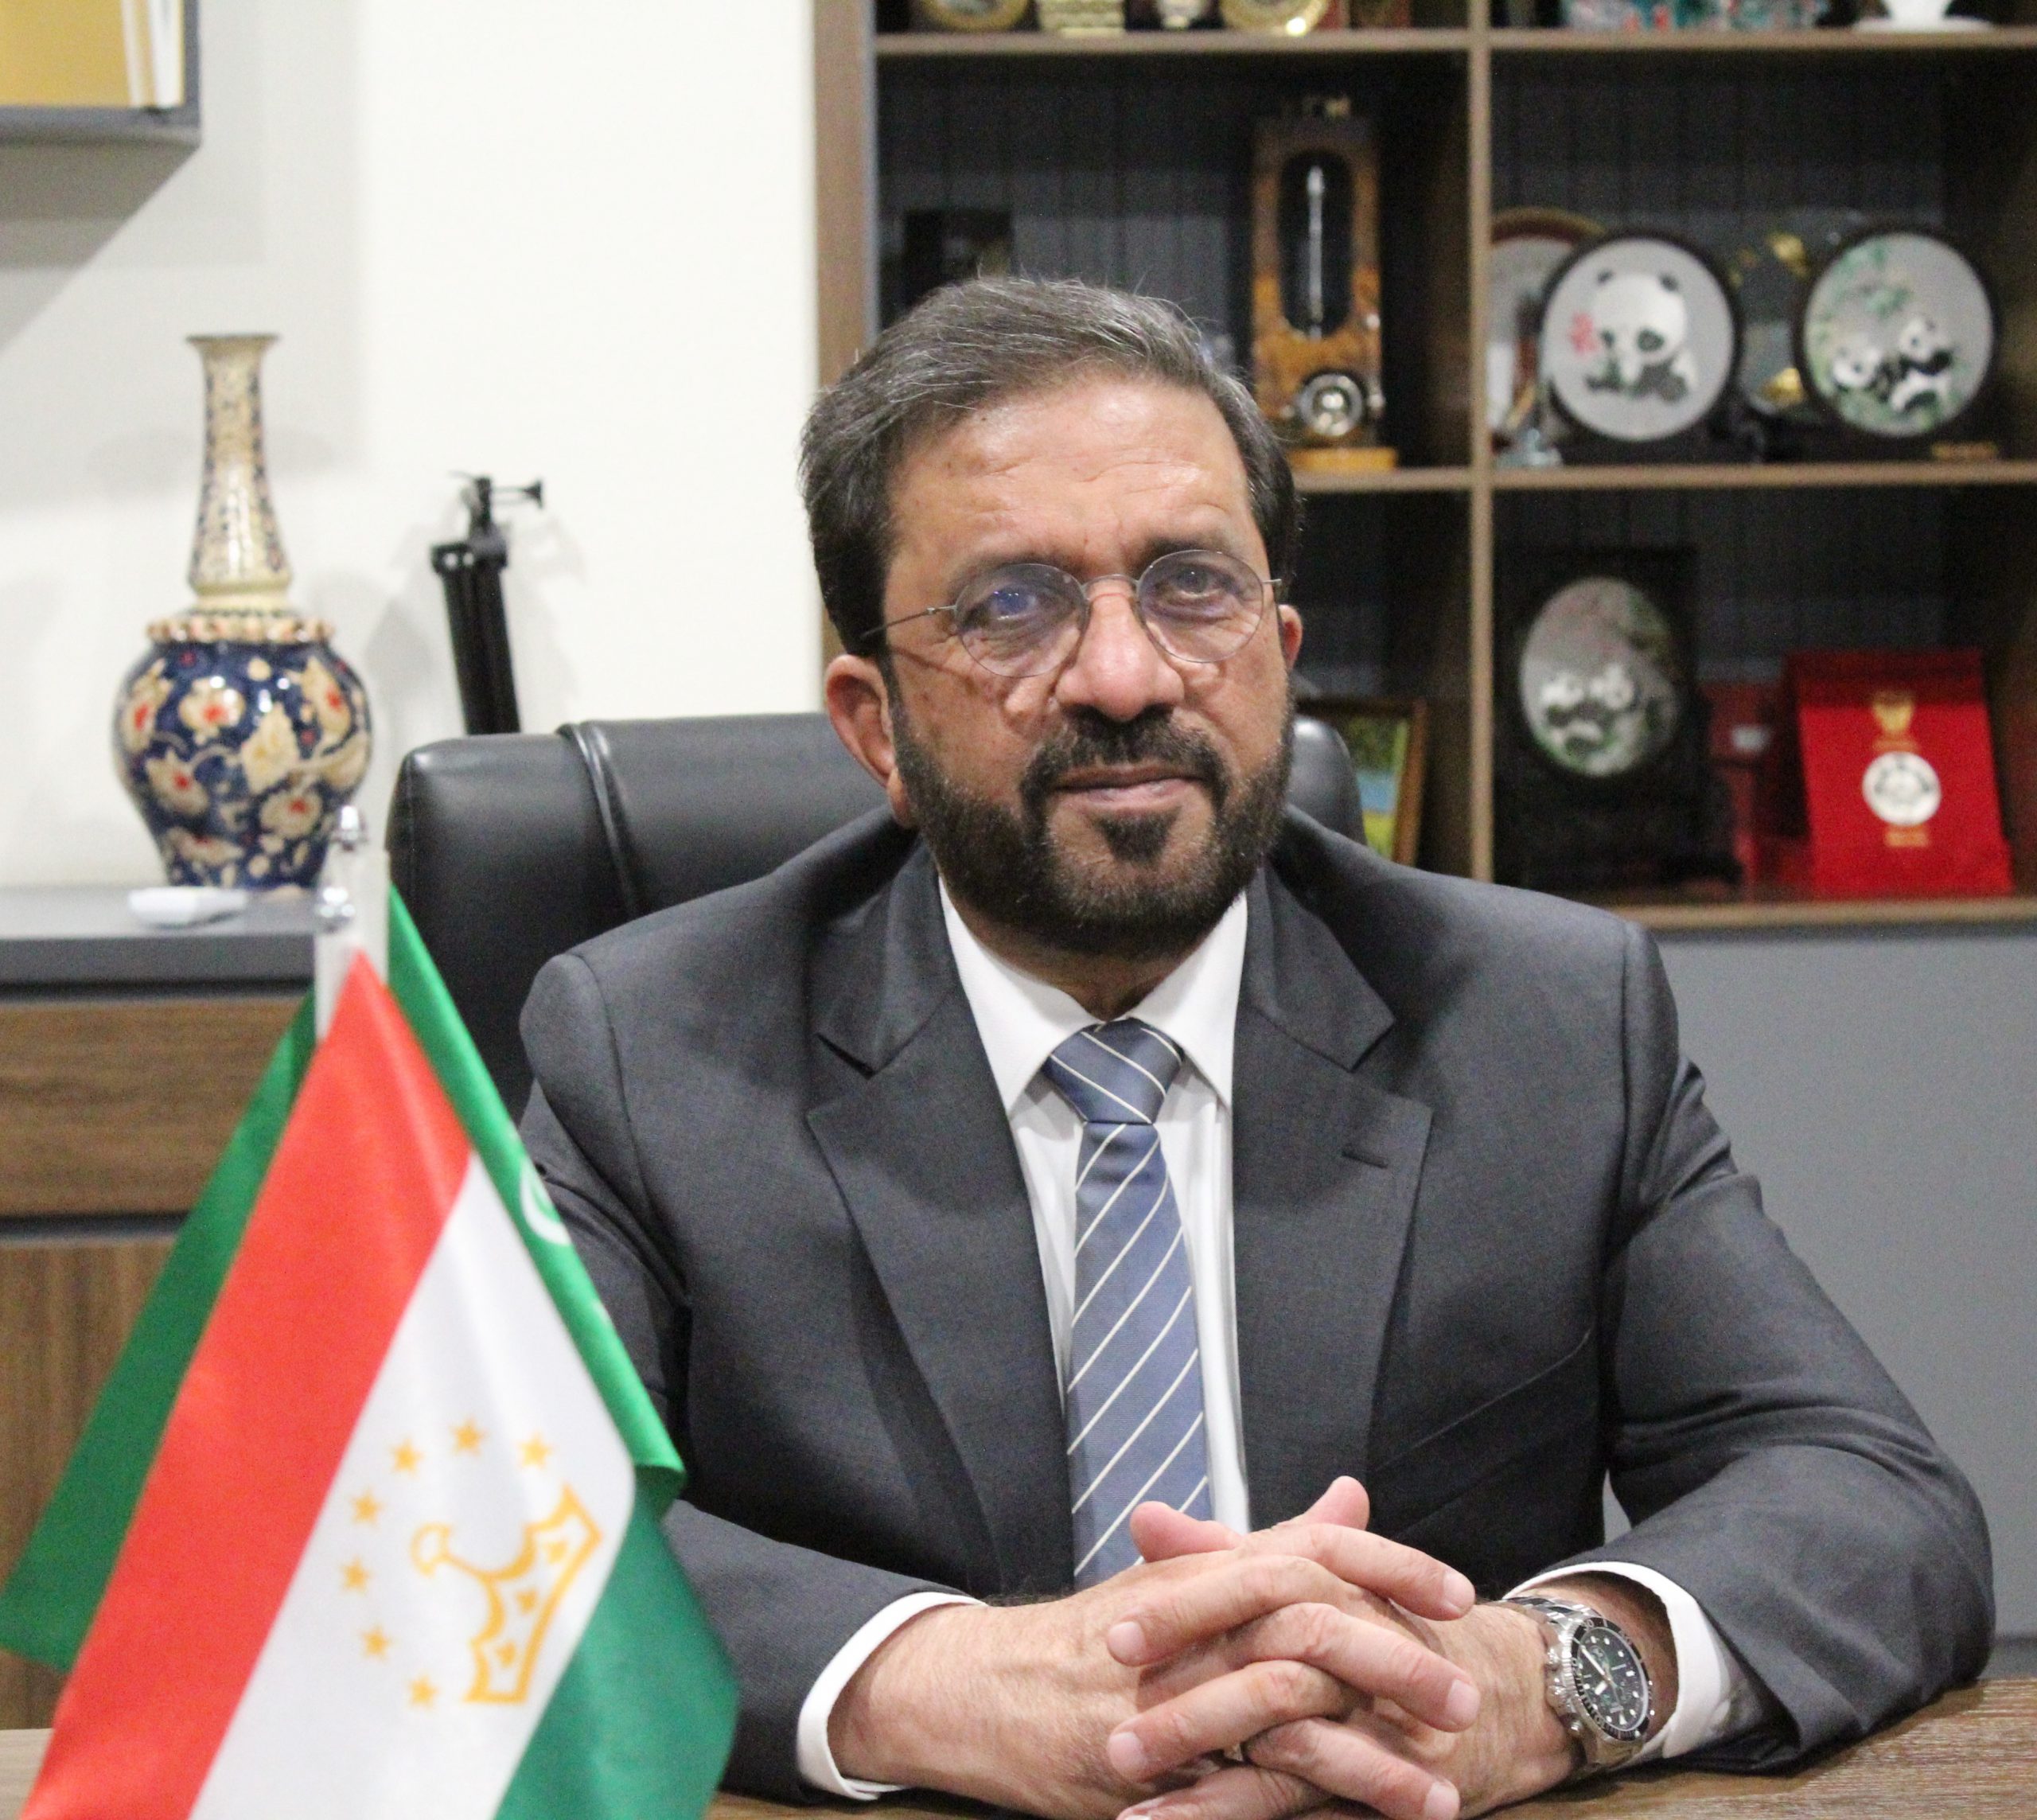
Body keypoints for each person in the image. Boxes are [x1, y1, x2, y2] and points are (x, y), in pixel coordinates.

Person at [520, 278, 1992, 1820]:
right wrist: (935, 1682)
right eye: (1011, 605)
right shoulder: (656, 1051)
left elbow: (1869, 1495)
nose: (1125, 676)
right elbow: (503, 1530)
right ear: (875, 724)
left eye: (1191, 587)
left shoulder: (1543, 1019)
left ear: (1280, 652)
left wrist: (1541, 1681)